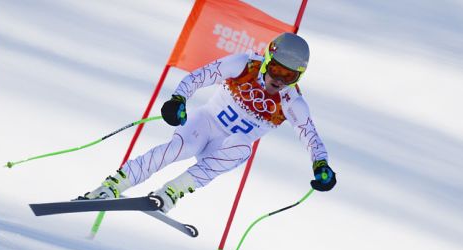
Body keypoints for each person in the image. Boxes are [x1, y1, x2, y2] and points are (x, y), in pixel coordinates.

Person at [82, 32, 336, 213]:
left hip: (223, 147)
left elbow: (310, 136)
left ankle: (171, 193)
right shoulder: (244, 65)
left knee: (243, 147)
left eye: (290, 75)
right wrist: (178, 99)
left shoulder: (292, 101)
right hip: (205, 124)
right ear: (268, 60)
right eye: (277, 70)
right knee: (180, 148)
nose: (280, 80)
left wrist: (321, 164)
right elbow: (200, 76)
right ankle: (113, 185)